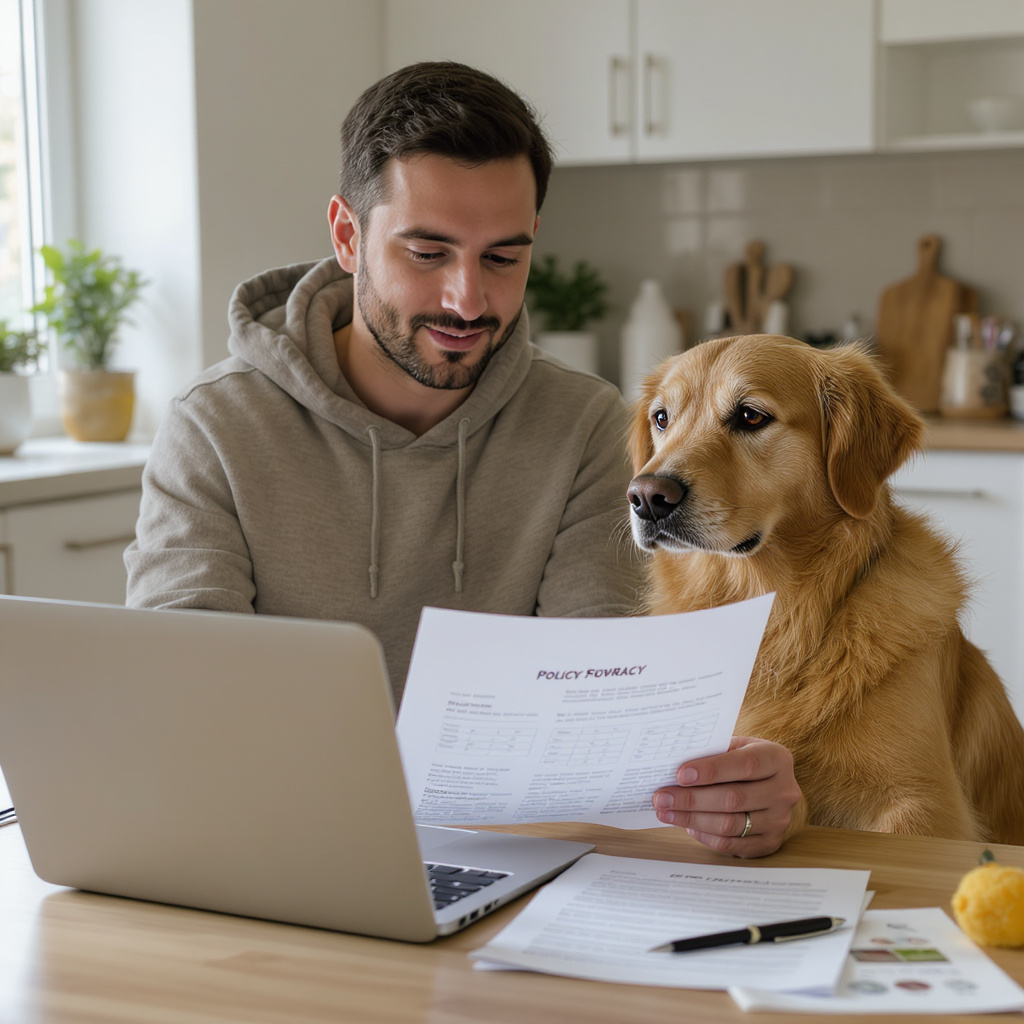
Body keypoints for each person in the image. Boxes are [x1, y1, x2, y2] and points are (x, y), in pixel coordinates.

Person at [125, 61, 802, 857]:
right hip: (273, 848)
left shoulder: (585, 425)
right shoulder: (214, 427)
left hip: (504, 857)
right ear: (348, 236)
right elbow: (182, 703)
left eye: (502, 258)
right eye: (428, 253)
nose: (467, 300)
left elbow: (603, 706)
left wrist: (722, 791)